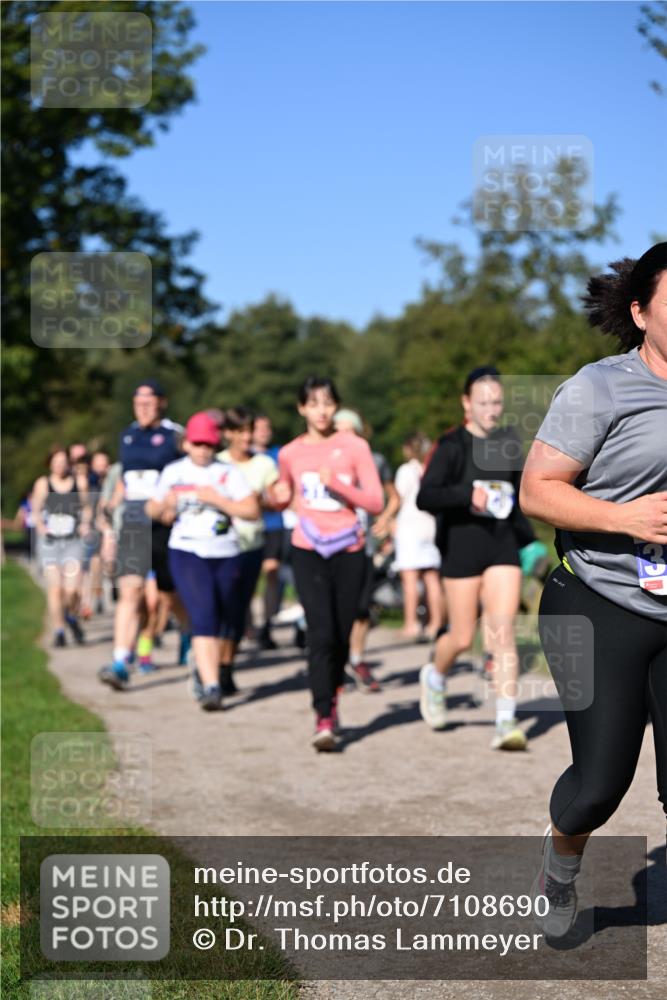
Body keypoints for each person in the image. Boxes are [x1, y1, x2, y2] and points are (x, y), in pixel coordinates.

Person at [520, 243, 667, 938]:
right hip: (597, 600)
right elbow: (537, 491)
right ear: (640, 312)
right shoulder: (600, 388)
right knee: (600, 784)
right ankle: (560, 863)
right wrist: (626, 518)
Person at [416, 366, 532, 750]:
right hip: (461, 547)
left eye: (497, 402)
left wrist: (531, 542)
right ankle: (435, 676)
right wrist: (467, 494)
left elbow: (522, 497)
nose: (491, 409)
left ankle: (506, 722)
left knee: (502, 633)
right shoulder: (451, 445)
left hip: (501, 546)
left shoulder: (509, 442)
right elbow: (426, 496)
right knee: (463, 637)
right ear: (467, 403)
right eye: (483, 402)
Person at [273, 377, 384, 750]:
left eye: (327, 403)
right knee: (319, 634)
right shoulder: (290, 453)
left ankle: (332, 696)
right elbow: (283, 493)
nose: (321, 411)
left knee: (339, 634)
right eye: (313, 403)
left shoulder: (355, 447)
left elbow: (376, 501)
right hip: (308, 548)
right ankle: (323, 716)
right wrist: (276, 496)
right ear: (301, 408)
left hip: (349, 549)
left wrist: (339, 486)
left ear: (336, 406)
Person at [146, 412, 259, 711]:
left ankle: (202, 666)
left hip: (226, 553)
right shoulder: (173, 472)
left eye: (208, 444)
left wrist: (218, 500)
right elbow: (151, 509)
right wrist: (165, 506)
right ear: (186, 444)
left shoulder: (227, 473)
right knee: (203, 615)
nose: (203, 450)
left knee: (224, 617)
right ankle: (212, 687)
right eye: (197, 444)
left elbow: (252, 511)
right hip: (187, 551)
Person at [99, 379, 184, 689]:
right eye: (138, 403)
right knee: (130, 591)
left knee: (168, 596)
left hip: (165, 524)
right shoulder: (127, 435)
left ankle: (190, 633)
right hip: (134, 522)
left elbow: (187, 474)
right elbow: (126, 477)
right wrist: (111, 504)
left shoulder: (175, 435)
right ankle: (120, 661)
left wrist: (172, 504)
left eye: (149, 403)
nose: (143, 408)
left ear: (162, 402)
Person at [332, 408, 398, 692]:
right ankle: (335, 663)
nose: (345, 436)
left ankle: (357, 658)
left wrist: (385, 519)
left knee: (361, 608)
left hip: (365, 545)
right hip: (332, 545)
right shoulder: (324, 459)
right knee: (335, 610)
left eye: (350, 430)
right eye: (339, 430)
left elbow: (393, 496)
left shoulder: (375, 460)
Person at [217, 406, 280, 694]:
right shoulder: (216, 462)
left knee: (237, 610)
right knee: (218, 609)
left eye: (249, 431)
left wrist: (259, 501)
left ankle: (226, 667)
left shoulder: (264, 464)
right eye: (240, 431)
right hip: (218, 546)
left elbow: (277, 502)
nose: (246, 437)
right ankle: (210, 665)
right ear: (228, 433)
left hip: (251, 545)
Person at [31, 446, 92, 646]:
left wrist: (85, 524)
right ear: (49, 464)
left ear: (69, 463)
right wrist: (40, 526)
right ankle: (59, 631)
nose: (59, 466)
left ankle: (71, 616)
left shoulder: (79, 482)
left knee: (72, 591)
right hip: (50, 543)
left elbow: (87, 508)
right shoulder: (43, 483)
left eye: (63, 462)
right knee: (55, 589)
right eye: (56, 462)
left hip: (72, 541)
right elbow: (35, 510)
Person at [393, 432, 442, 640]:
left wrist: (388, 521)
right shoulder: (430, 470)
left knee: (410, 579)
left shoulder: (405, 470)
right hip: (429, 526)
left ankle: (411, 624)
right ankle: (435, 624)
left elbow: (398, 498)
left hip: (409, 526)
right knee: (431, 577)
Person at [252, 413, 288, 650]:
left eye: (268, 427)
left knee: (272, 571)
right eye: (259, 428)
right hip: (248, 525)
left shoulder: (279, 454)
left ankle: (267, 623)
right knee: (249, 577)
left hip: (274, 523)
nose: (264, 432)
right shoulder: (244, 456)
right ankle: (248, 625)